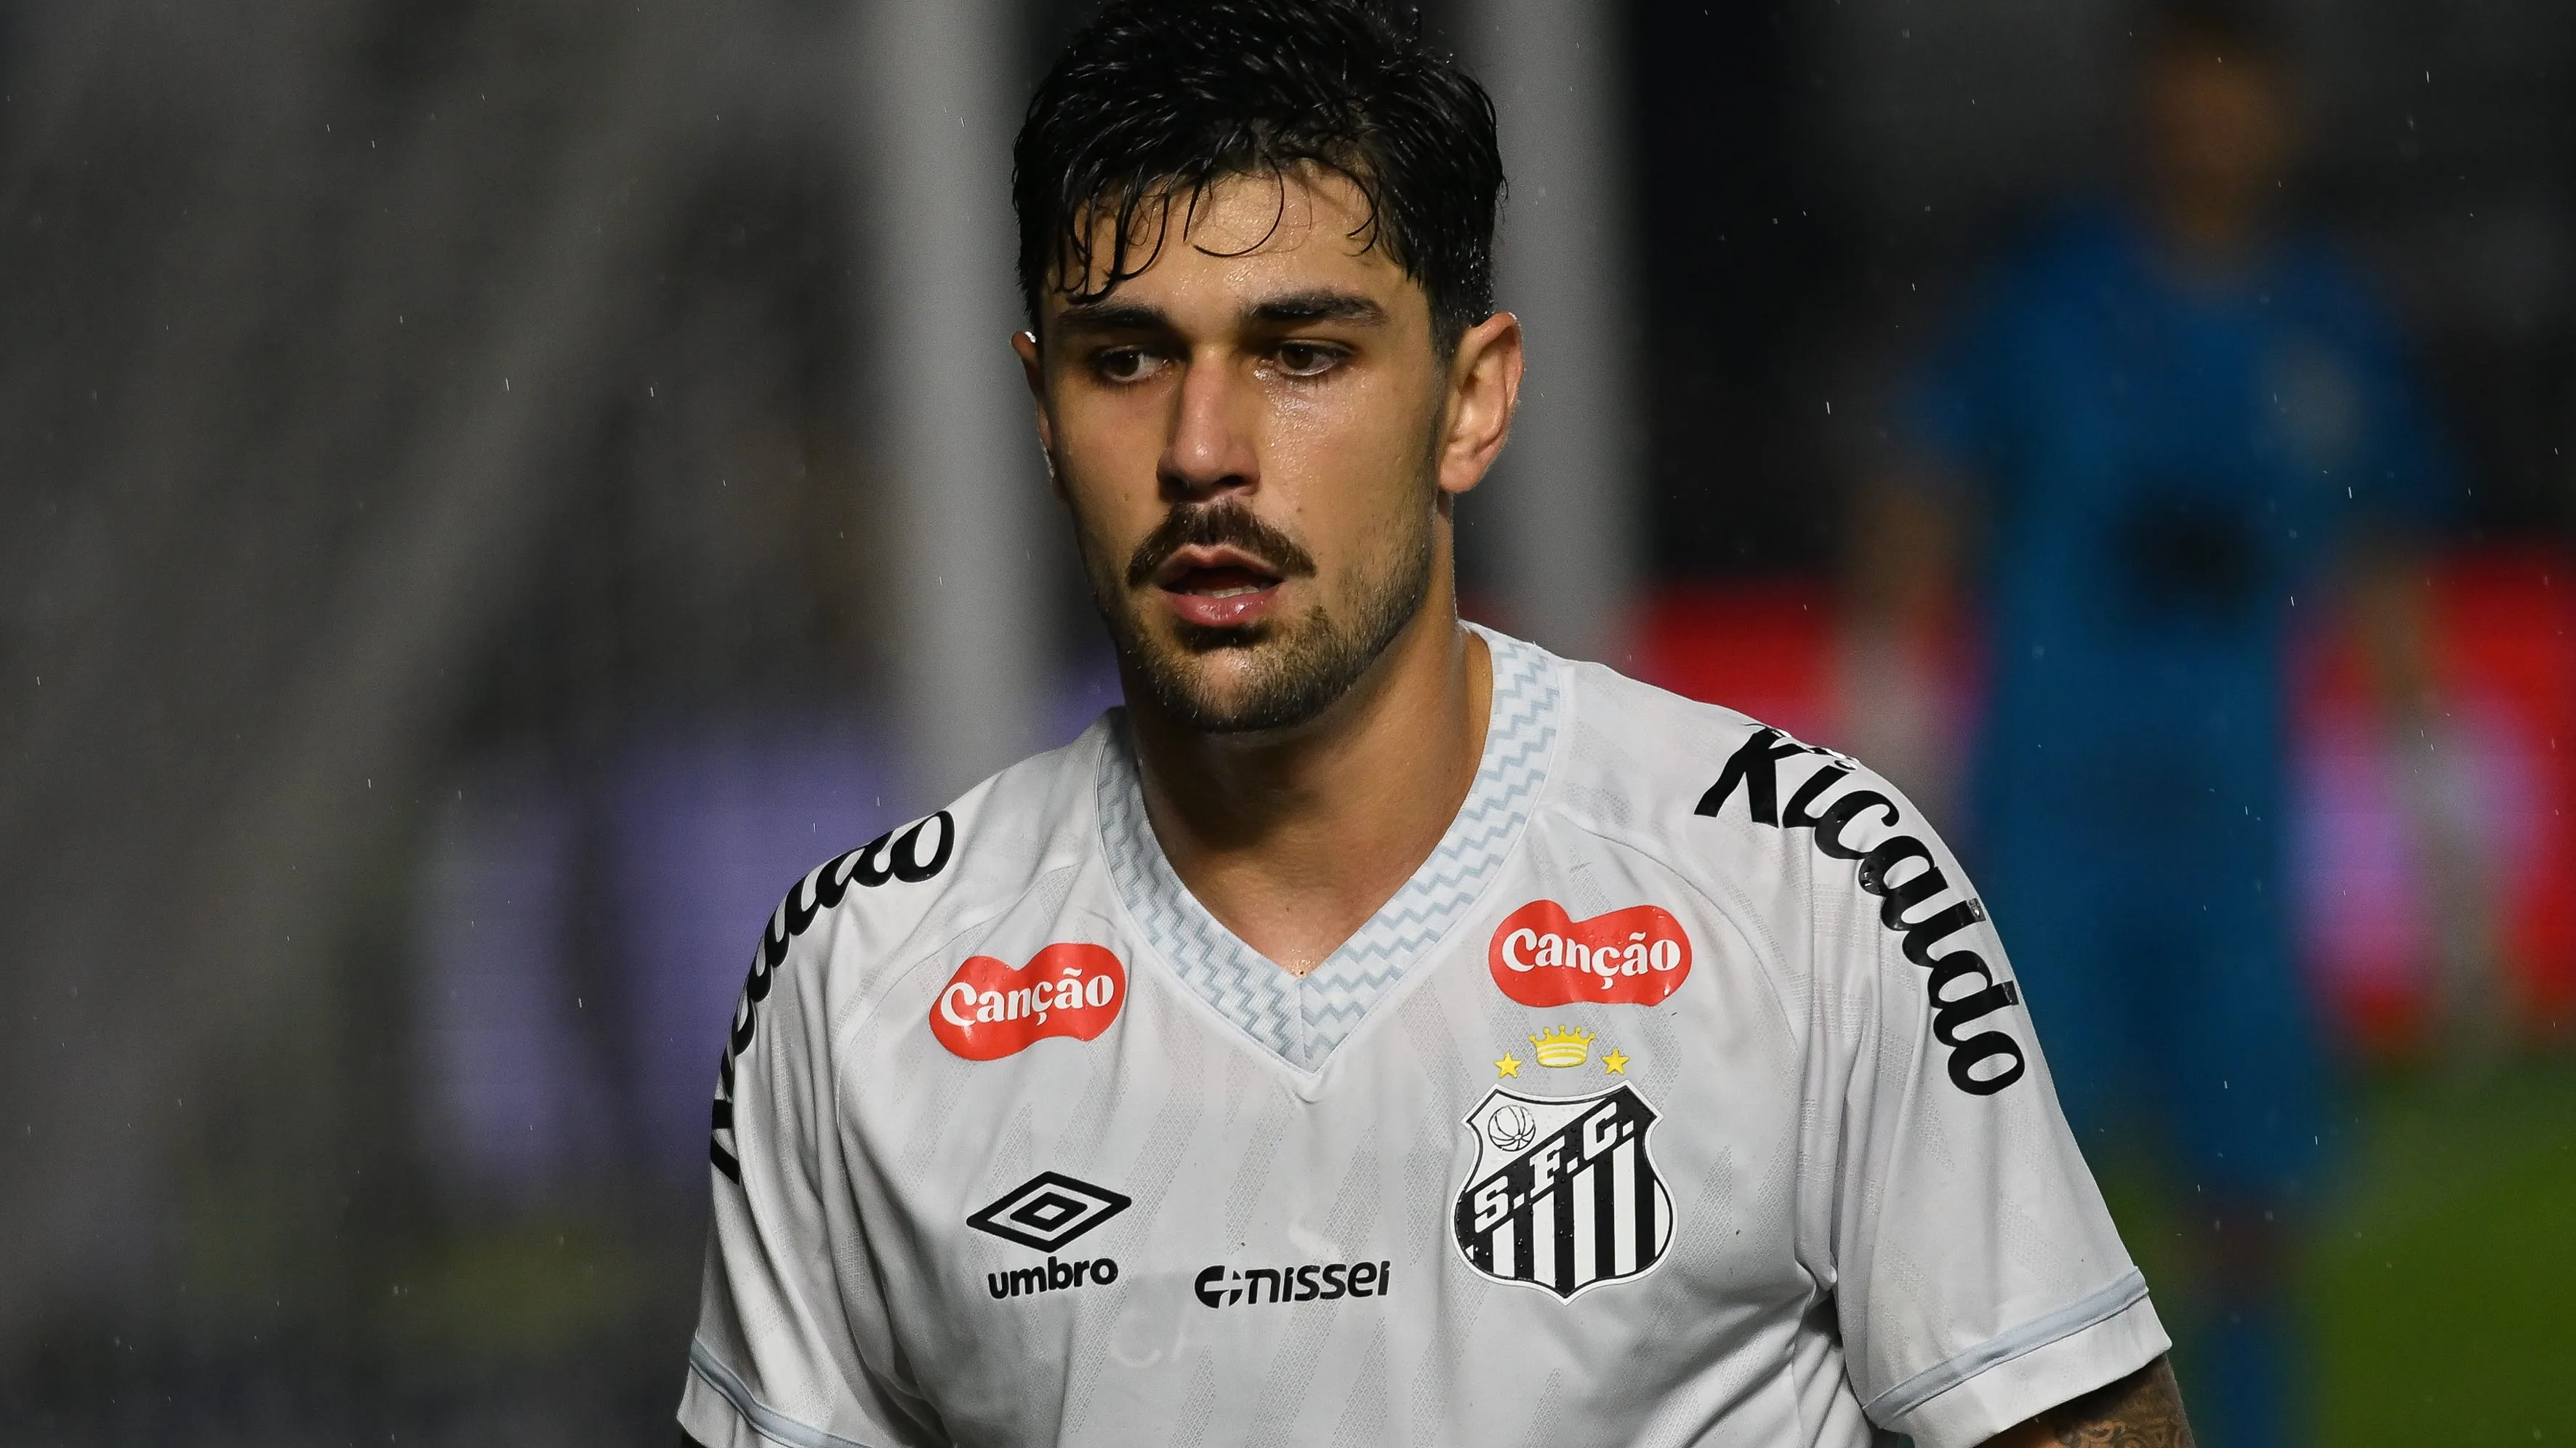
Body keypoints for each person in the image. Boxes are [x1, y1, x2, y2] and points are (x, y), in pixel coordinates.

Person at [679, 3, 2193, 1444]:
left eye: (1302, 354)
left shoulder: (1806, 897)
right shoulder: (859, 990)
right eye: (1127, 359)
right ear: (1040, 411)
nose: (1204, 451)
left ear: (1472, 401)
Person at [1855, 5, 2454, 1445]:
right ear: (2148, 103)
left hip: (2228, 834)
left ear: (2281, 113)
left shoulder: (2324, 326)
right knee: (1990, 1212)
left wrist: (2439, 814)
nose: (2211, 118)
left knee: (2247, 1210)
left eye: (2239, 88)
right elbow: (1924, 486)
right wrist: (1881, 713)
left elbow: (2381, 568)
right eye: (2189, 86)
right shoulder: (2052, 299)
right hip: (2051, 819)